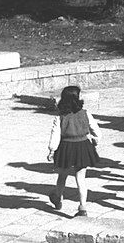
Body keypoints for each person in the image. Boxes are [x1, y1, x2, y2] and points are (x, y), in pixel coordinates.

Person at [47, 86, 101, 217]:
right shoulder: (85, 113)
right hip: (82, 146)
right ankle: (82, 207)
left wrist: (52, 150)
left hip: (66, 147)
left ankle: (58, 197)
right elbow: (96, 130)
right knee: (81, 178)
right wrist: (96, 140)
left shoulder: (60, 117)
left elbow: (56, 134)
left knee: (62, 175)